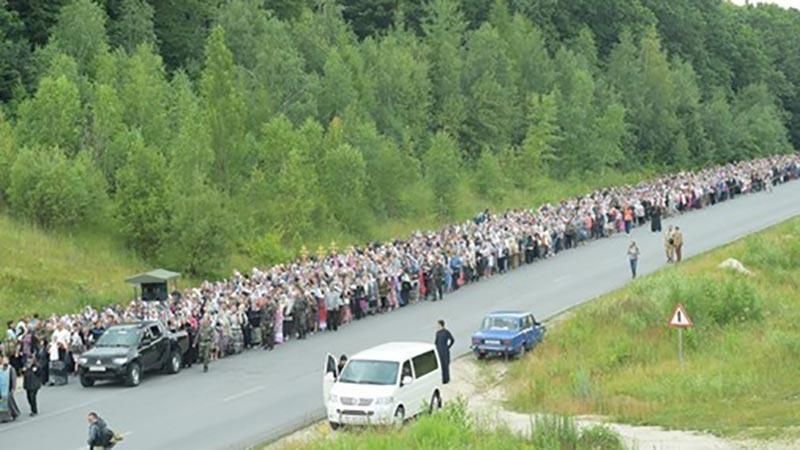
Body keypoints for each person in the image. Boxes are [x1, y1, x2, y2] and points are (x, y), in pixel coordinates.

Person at [0, 356, 21, 422]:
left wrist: (13, 388)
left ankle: (13, 414)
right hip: (1, 388)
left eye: (5, 360)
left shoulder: (11, 369)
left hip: (8, 388)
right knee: (2, 403)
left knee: (9, 403)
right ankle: (4, 417)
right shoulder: (0, 368)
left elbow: (13, 379)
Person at [434, 320, 455, 385]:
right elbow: (436, 342)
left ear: (441, 325)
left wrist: (448, 346)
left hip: (445, 350)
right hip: (439, 350)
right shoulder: (437, 333)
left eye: (437, 325)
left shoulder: (446, 332)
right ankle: (442, 379)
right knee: (441, 365)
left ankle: (447, 379)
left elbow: (452, 340)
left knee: (446, 364)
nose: (436, 326)